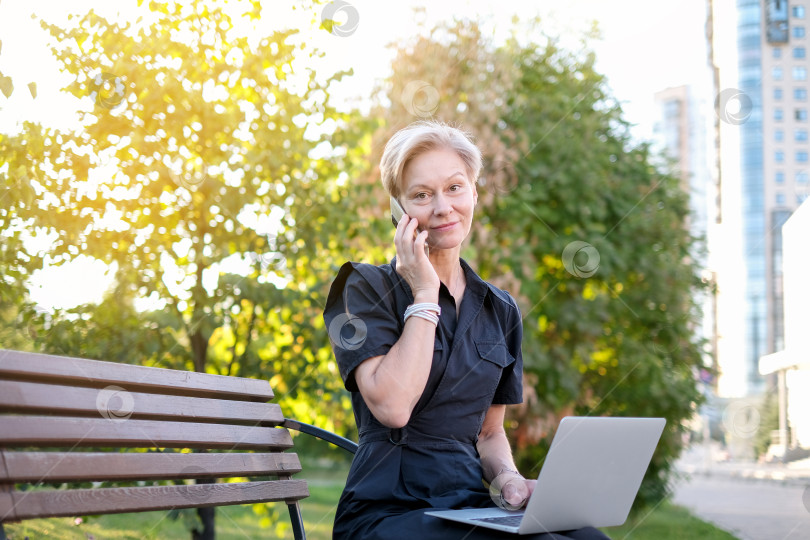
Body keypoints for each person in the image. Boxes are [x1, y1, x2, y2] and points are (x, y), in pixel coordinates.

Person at [323, 121, 610, 539]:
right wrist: (424, 294)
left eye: (455, 187)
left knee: (586, 537)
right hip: (386, 511)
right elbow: (392, 407)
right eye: (421, 195)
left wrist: (509, 480)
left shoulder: (500, 309)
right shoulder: (364, 287)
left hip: (467, 505)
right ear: (397, 210)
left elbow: (490, 432)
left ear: (474, 192)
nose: (442, 207)